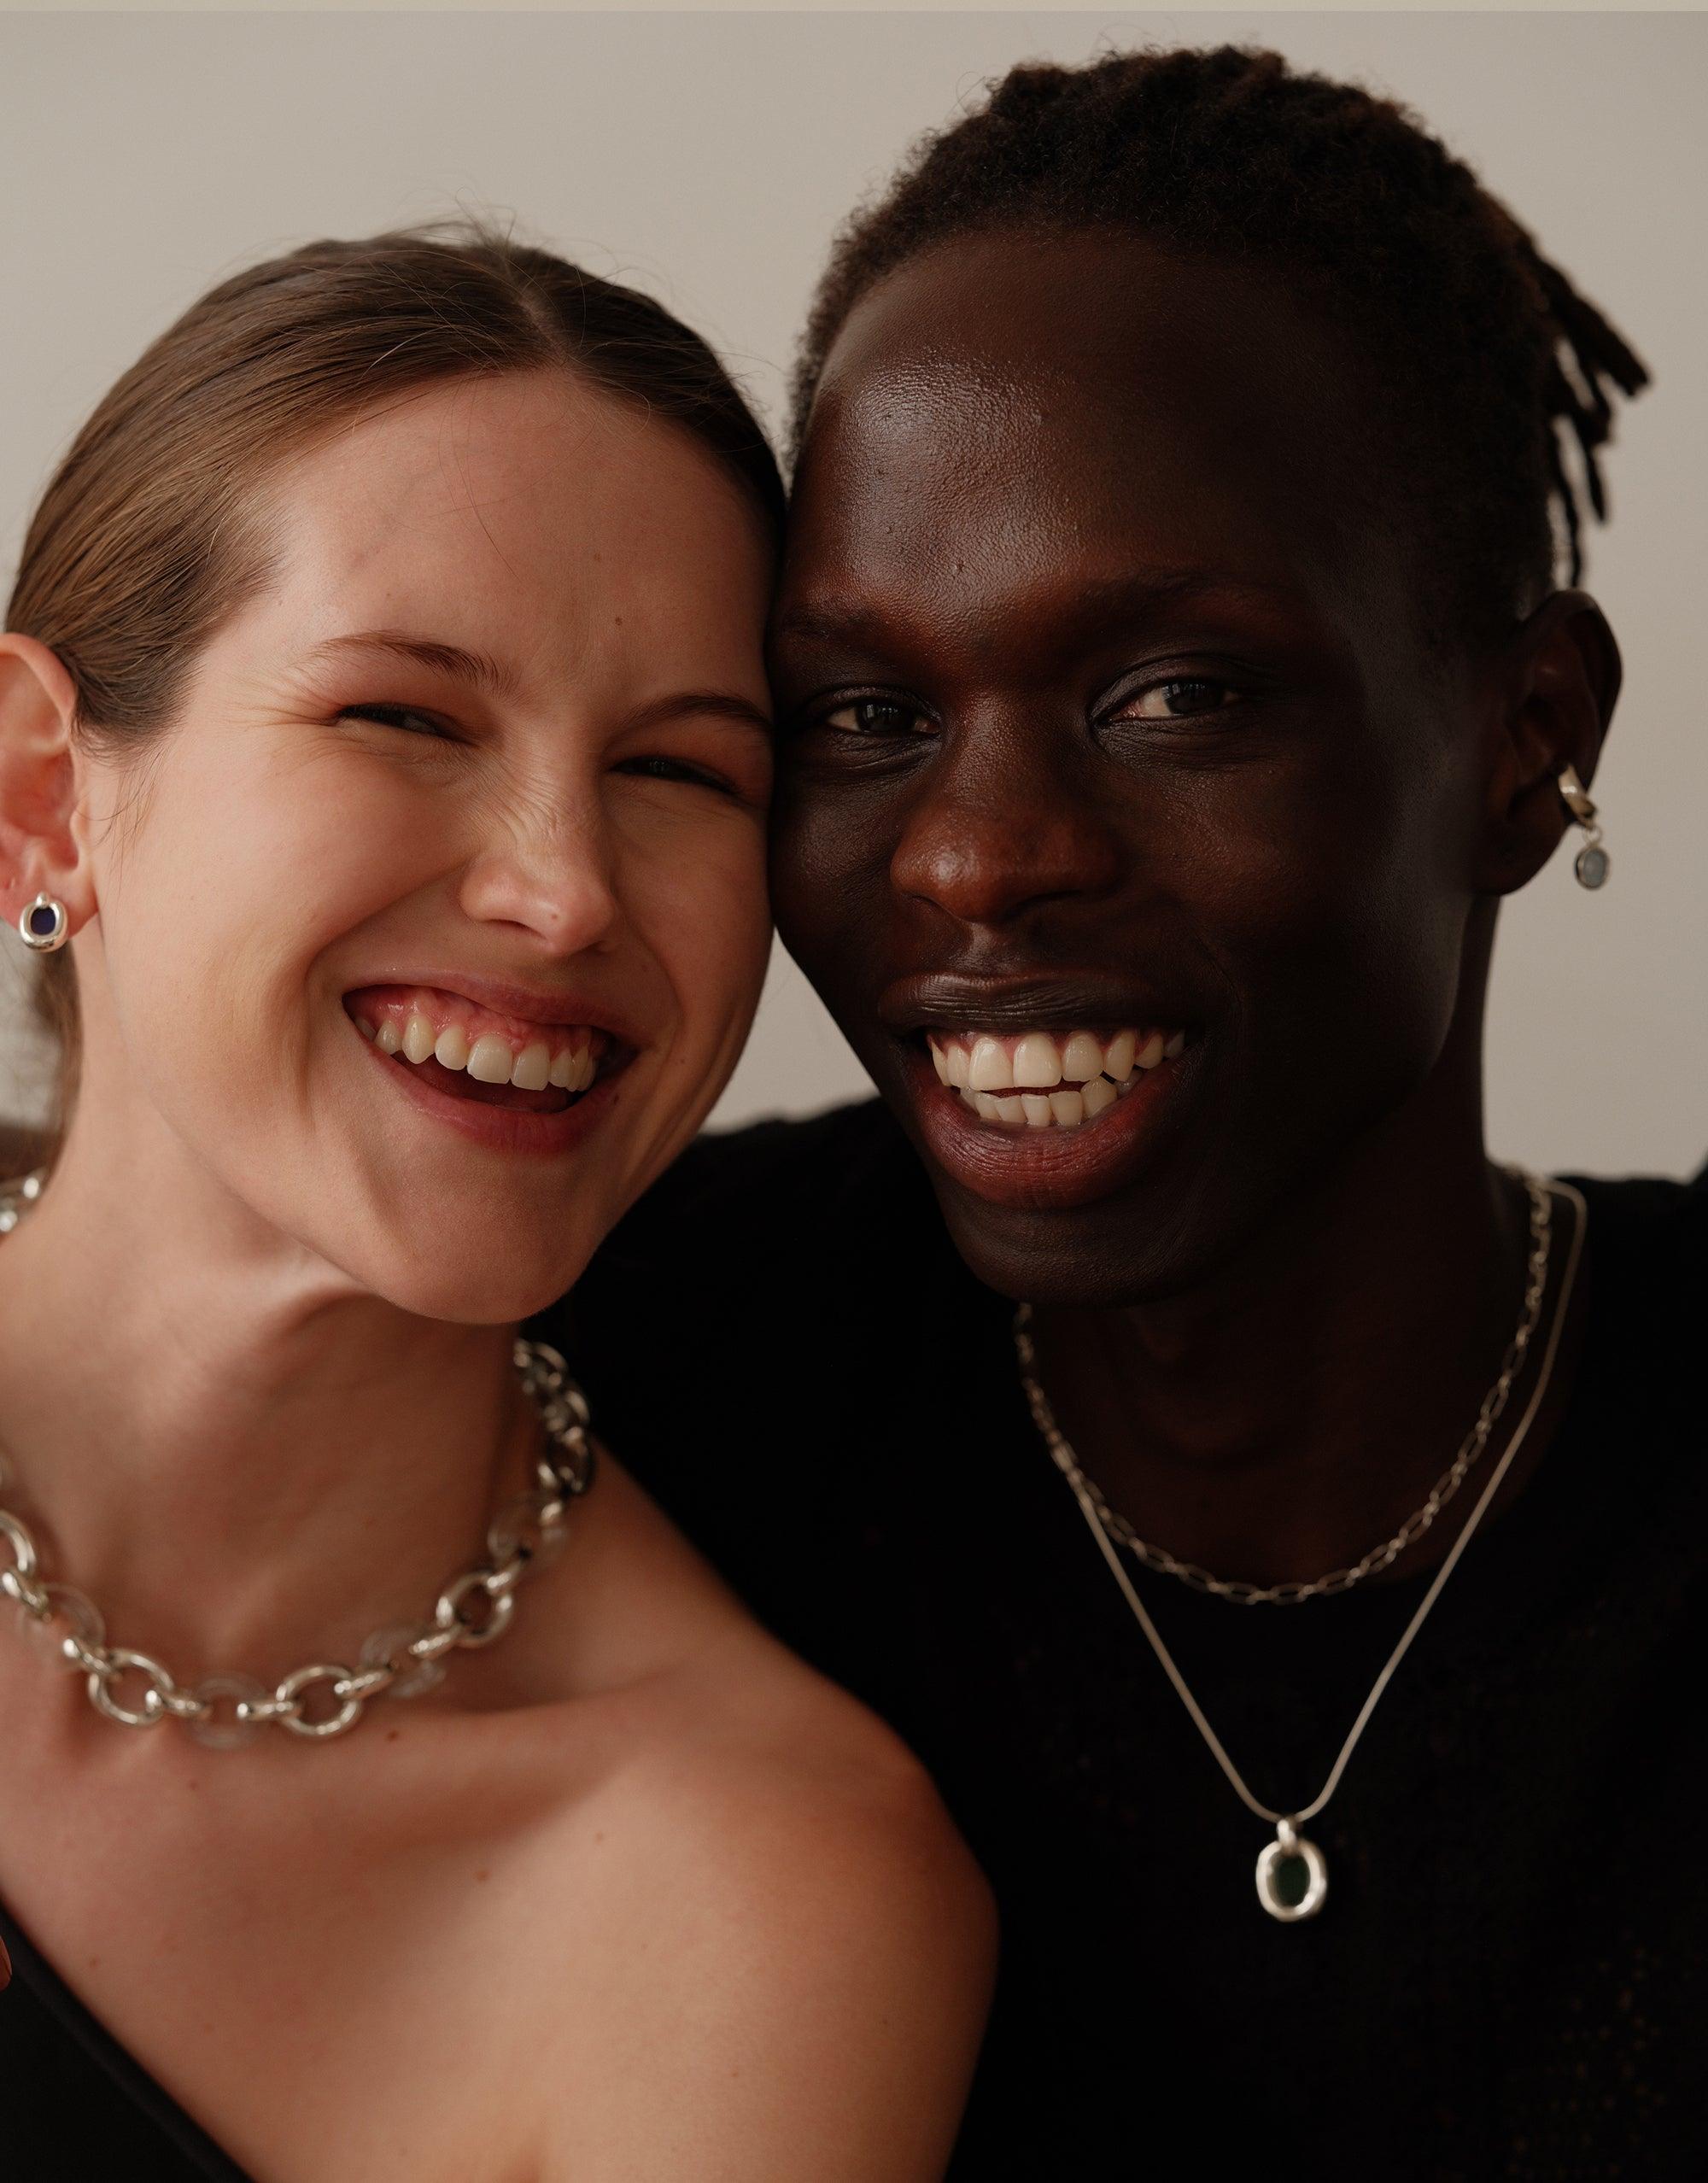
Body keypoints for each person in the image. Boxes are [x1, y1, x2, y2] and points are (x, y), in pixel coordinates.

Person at [566, 48, 1706, 2178]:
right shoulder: (636, 1387)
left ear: (1524, 740)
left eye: (1170, 696)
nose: (973, 863)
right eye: (869, 718)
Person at [0, 225, 993, 2182]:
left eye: (682, 772)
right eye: (406, 717)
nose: (569, 893)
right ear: (45, 798)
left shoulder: (757, 1899)